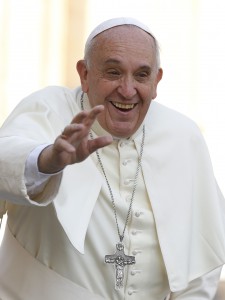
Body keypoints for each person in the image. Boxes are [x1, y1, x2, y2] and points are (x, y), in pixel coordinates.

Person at [0, 17, 225, 300]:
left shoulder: (182, 136)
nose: (127, 90)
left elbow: (200, 261)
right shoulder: (48, 108)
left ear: (156, 82)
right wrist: (47, 161)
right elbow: (4, 159)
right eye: (113, 72)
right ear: (84, 74)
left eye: (142, 75)